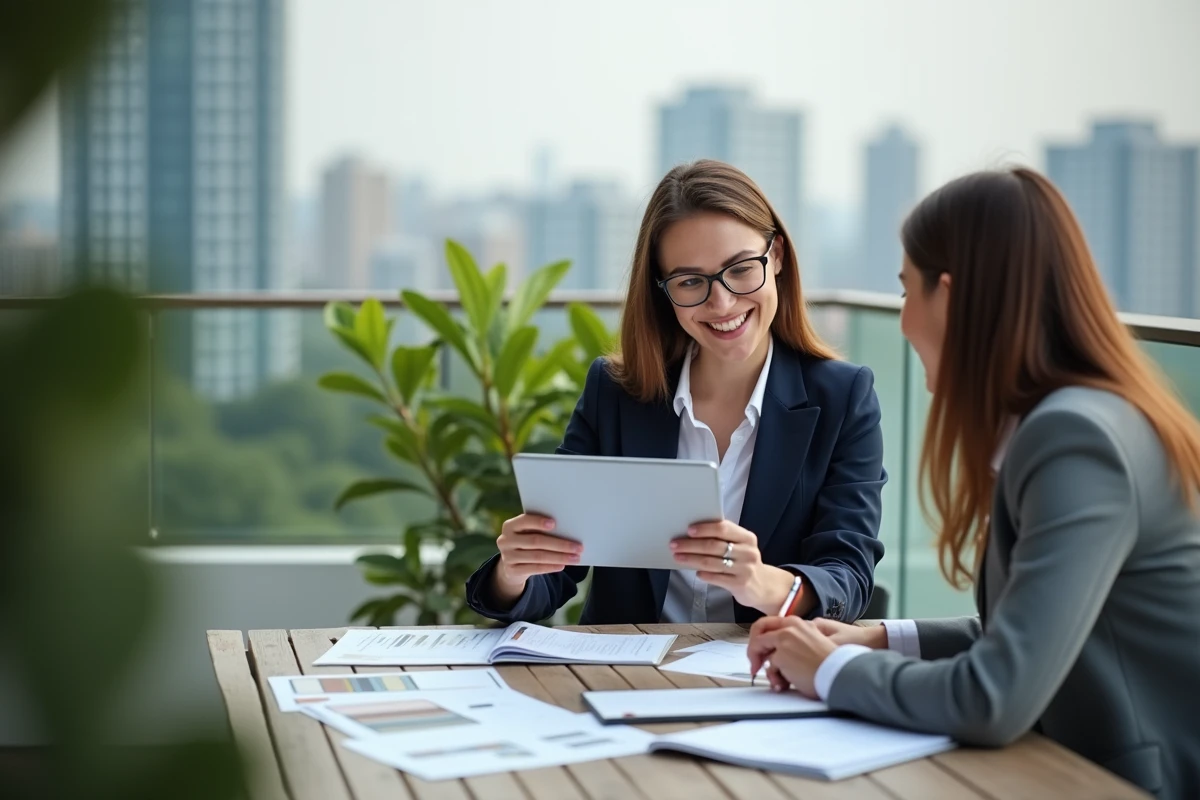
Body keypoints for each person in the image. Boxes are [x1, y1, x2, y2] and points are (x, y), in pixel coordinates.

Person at [746, 167, 1200, 799]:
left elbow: (995, 696)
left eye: (907, 293)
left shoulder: (1077, 441)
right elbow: (1025, 633)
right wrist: (876, 638)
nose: (902, 322)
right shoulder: (1071, 420)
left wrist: (831, 669)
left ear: (950, 297)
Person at [464, 159, 887, 626]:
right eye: (690, 281)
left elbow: (847, 576)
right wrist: (513, 574)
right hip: (624, 678)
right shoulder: (617, 393)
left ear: (778, 257)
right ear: (664, 291)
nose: (721, 302)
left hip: (762, 673)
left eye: (741, 269)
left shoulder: (844, 398)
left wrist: (764, 583)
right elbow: (559, 571)